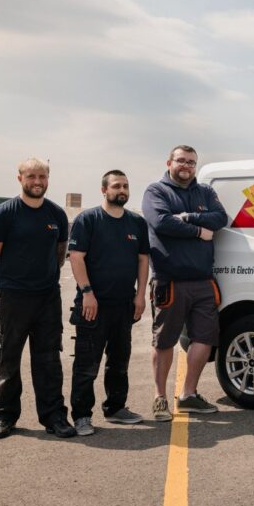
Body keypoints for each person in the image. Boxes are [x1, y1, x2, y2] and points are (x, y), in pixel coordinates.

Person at [0, 158, 76, 438]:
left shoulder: (56, 214)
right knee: (8, 359)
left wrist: (43, 282)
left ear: (48, 179)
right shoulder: (4, 214)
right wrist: (7, 289)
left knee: (49, 361)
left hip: (47, 299)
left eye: (42, 176)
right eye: (31, 176)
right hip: (13, 299)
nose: (37, 181)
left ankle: (54, 417)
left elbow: (59, 255)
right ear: (20, 178)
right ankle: (4, 415)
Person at [142, 145, 228, 421]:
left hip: (203, 281)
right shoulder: (156, 191)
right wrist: (200, 232)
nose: (186, 166)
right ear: (169, 162)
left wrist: (190, 218)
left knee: (205, 338)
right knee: (164, 341)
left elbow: (221, 218)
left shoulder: (205, 192)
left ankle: (188, 394)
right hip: (170, 281)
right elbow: (162, 222)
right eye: (181, 161)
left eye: (191, 162)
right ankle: (160, 398)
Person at [68, 170, 150, 436]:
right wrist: (87, 293)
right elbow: (76, 257)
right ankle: (82, 416)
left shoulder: (137, 223)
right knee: (87, 365)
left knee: (119, 362)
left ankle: (116, 408)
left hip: (124, 305)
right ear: (104, 190)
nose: (122, 190)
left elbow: (143, 260)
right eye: (116, 186)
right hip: (93, 305)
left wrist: (140, 295)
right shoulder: (88, 219)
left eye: (125, 185)